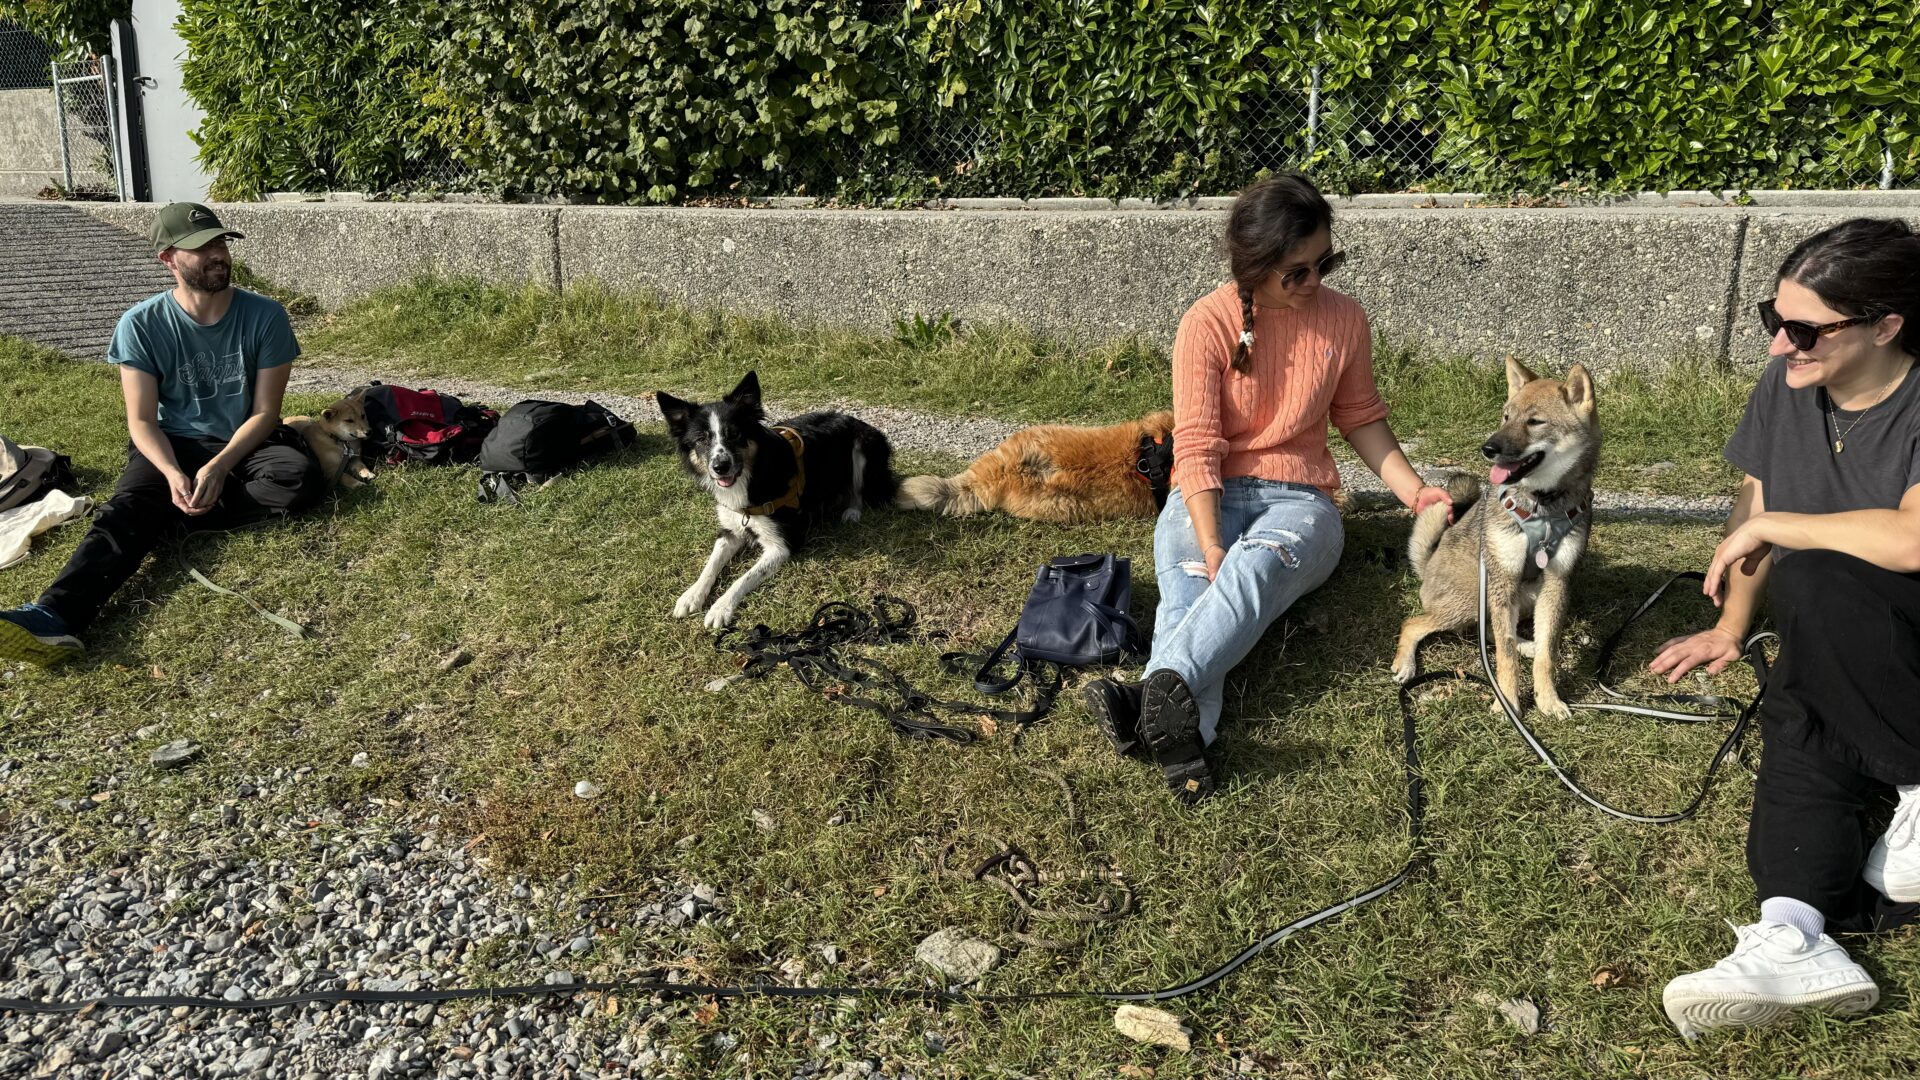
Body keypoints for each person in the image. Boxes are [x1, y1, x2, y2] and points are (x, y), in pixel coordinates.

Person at [1083, 173, 1451, 804]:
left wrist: (1416, 493)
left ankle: (1147, 696)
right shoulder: (1206, 323)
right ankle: (1185, 741)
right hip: (1206, 494)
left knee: (1251, 569)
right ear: (1254, 267)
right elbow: (1196, 446)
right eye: (1296, 272)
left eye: (1325, 263)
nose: (1315, 282)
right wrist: (1209, 540)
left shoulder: (1344, 319)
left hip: (1302, 502)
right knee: (1192, 589)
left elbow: (1360, 417)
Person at [1652, 217, 1920, 1039]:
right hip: (1844, 639)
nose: (1778, 344)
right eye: (1774, 319)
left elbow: (1912, 539)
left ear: (1886, 326)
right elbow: (1758, 501)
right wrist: (1733, 624)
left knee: (1817, 585)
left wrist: (1780, 531)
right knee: (1799, 700)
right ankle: (1793, 930)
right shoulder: (1790, 384)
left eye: (1803, 329)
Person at [0, 203, 323, 666]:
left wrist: (219, 466)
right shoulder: (140, 325)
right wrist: (172, 473)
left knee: (297, 478)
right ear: (168, 258)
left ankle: (167, 519)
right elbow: (142, 421)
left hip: (246, 439)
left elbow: (266, 412)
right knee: (127, 508)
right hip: (172, 441)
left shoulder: (265, 315)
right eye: (200, 248)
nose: (217, 255)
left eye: (220, 242)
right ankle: (54, 615)